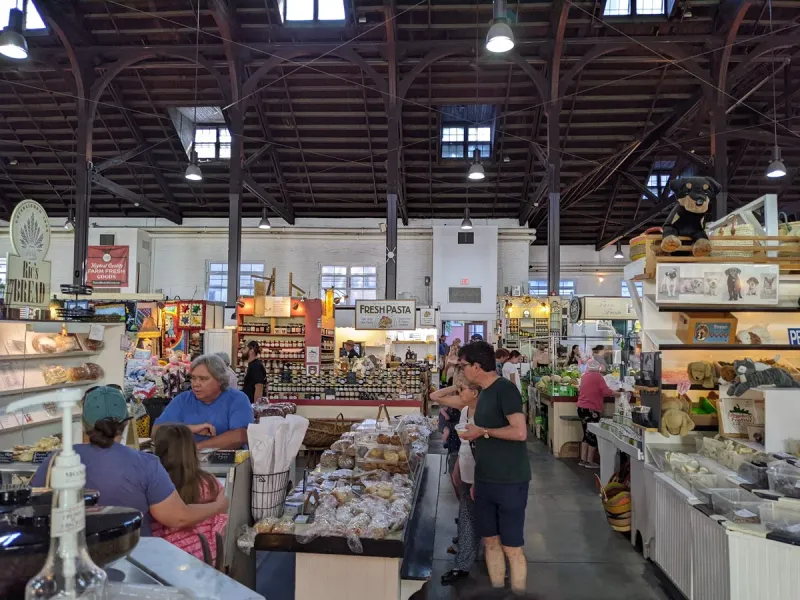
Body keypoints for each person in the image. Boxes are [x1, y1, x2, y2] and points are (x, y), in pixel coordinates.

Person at [30, 386, 229, 537]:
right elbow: (177, 516)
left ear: (83, 424)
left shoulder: (55, 461)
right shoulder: (146, 464)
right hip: (133, 560)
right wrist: (218, 506)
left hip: (70, 563)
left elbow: (32, 510)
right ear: (126, 424)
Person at [457, 342, 530, 594]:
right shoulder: (484, 393)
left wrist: (483, 432)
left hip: (510, 480)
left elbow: (520, 432)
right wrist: (477, 479)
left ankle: (519, 592)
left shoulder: (505, 390)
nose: (462, 370)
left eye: (464, 365)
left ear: (477, 366)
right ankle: (498, 590)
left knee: (512, 546)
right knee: (489, 541)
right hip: (486, 479)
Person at [431, 373, 481, 586]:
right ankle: (463, 564)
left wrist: (478, 478)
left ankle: (496, 564)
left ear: (475, 392)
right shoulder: (465, 411)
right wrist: (459, 469)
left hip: (483, 474)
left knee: (484, 521)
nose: (459, 393)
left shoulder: (484, 415)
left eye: (463, 390)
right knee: (468, 516)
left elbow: (486, 449)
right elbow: (435, 395)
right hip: (468, 468)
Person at [152, 424, 229, 561]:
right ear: (192, 449)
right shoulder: (210, 482)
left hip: (164, 561)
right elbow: (221, 523)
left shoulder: (155, 485)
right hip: (204, 559)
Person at [154, 354, 254, 450]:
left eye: (203, 379)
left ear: (220, 380)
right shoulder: (183, 399)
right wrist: (190, 429)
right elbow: (156, 432)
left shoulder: (237, 399)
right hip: (186, 464)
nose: (196, 384)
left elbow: (241, 435)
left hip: (227, 464)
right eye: (193, 378)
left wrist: (197, 448)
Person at [577, 360, 621, 469]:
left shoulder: (584, 376)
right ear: (599, 368)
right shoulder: (598, 377)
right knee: (592, 434)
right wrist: (619, 394)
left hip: (581, 408)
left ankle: (583, 460)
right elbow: (606, 392)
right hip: (591, 408)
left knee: (586, 433)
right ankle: (590, 461)